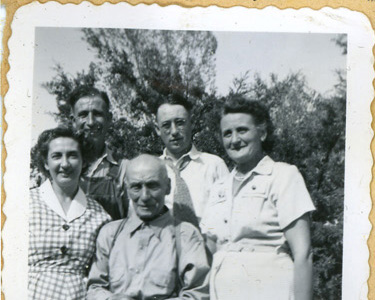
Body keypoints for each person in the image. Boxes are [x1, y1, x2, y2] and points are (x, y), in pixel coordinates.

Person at [200, 96, 316, 300]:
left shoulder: (283, 176)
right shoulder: (219, 187)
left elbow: (303, 253)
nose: (234, 140)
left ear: (262, 133)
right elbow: (208, 251)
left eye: (242, 130)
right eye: (227, 133)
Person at [87, 154, 210, 300]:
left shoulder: (186, 236)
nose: (144, 196)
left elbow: (197, 294)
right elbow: (94, 288)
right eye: (136, 187)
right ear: (127, 189)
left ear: (168, 187)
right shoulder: (110, 234)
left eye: (152, 185)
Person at [28, 127, 111, 300]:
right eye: (56, 156)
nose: (65, 164)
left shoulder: (100, 216)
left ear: (83, 161)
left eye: (72, 155)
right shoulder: (25, 204)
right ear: (45, 162)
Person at [155, 94, 229, 225]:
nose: (174, 131)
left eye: (180, 123)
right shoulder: (151, 170)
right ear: (157, 129)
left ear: (192, 123)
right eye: (166, 125)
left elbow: (228, 215)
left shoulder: (214, 165)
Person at [68, 86, 128, 220]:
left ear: (109, 119)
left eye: (97, 114)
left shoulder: (124, 169)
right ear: (73, 121)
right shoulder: (58, 169)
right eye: (83, 115)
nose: (90, 122)